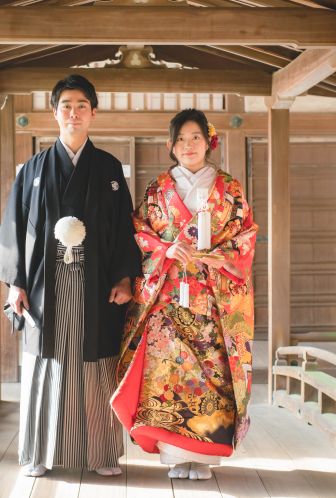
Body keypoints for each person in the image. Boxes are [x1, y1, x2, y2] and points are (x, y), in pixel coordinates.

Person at [0, 74, 142, 478]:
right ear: (54, 112)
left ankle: (102, 455)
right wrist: (15, 283)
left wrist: (125, 278)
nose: (74, 113)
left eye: (82, 106)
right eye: (66, 106)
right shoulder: (33, 169)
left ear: (93, 113)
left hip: (97, 286)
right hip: (44, 286)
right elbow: (14, 227)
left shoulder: (109, 168)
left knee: (97, 367)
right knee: (45, 365)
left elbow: (125, 229)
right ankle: (38, 453)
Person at [111, 109, 258, 480]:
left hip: (211, 297)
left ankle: (205, 457)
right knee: (167, 375)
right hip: (166, 297)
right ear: (170, 145)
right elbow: (139, 231)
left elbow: (246, 235)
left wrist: (219, 257)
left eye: (195, 138)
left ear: (209, 142)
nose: (188, 145)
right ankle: (174, 453)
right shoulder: (158, 188)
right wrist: (165, 250)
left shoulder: (230, 187)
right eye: (181, 139)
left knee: (212, 375)